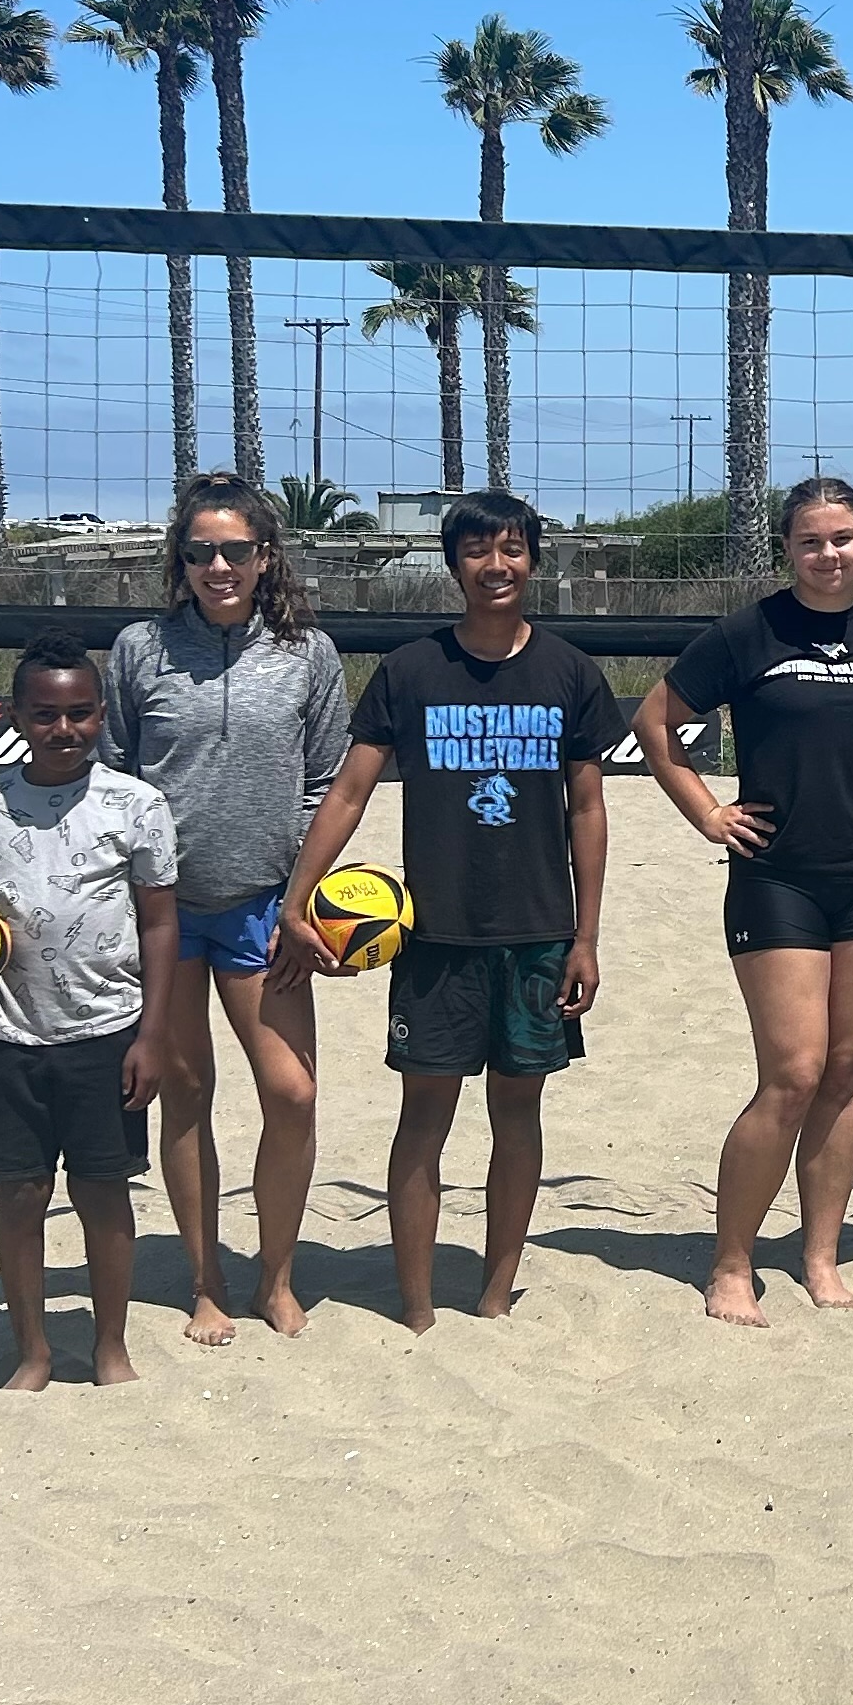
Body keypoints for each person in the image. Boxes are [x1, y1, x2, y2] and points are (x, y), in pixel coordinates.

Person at [276, 491, 620, 1331]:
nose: (494, 566)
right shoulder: (411, 669)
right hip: (431, 936)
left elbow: (587, 808)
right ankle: (419, 1307)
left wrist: (586, 936)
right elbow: (351, 790)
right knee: (423, 1118)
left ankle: (497, 1292)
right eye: (476, 551)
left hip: (537, 934)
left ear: (534, 560)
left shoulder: (570, 672)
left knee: (518, 1113)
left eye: (510, 550)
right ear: (452, 562)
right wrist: (297, 898)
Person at [637, 477, 853, 1326]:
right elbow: (658, 723)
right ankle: (732, 1264)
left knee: (843, 1069)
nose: (827, 554)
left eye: (841, 538)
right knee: (793, 1071)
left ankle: (821, 1256)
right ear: (787, 550)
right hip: (777, 876)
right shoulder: (747, 632)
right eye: (810, 541)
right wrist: (705, 811)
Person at [103, 473, 348, 1342]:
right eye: (200, 550)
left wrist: (301, 898)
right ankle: (207, 1280)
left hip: (263, 906)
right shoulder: (139, 648)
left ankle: (276, 1276)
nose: (217, 565)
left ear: (265, 556)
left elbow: (327, 784)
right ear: (181, 559)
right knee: (188, 1092)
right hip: (163, 909)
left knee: (291, 1094)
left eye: (235, 550)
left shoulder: (308, 655)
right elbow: (115, 779)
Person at [0, 630, 177, 1389]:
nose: (64, 730)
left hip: (106, 1032)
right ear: (15, 716)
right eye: (46, 715)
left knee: (102, 1189)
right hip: (8, 1034)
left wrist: (153, 1033)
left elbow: (159, 922)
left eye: (81, 713)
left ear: (102, 715)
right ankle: (34, 1352)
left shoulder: (136, 805)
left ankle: (109, 1346)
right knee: (18, 1191)